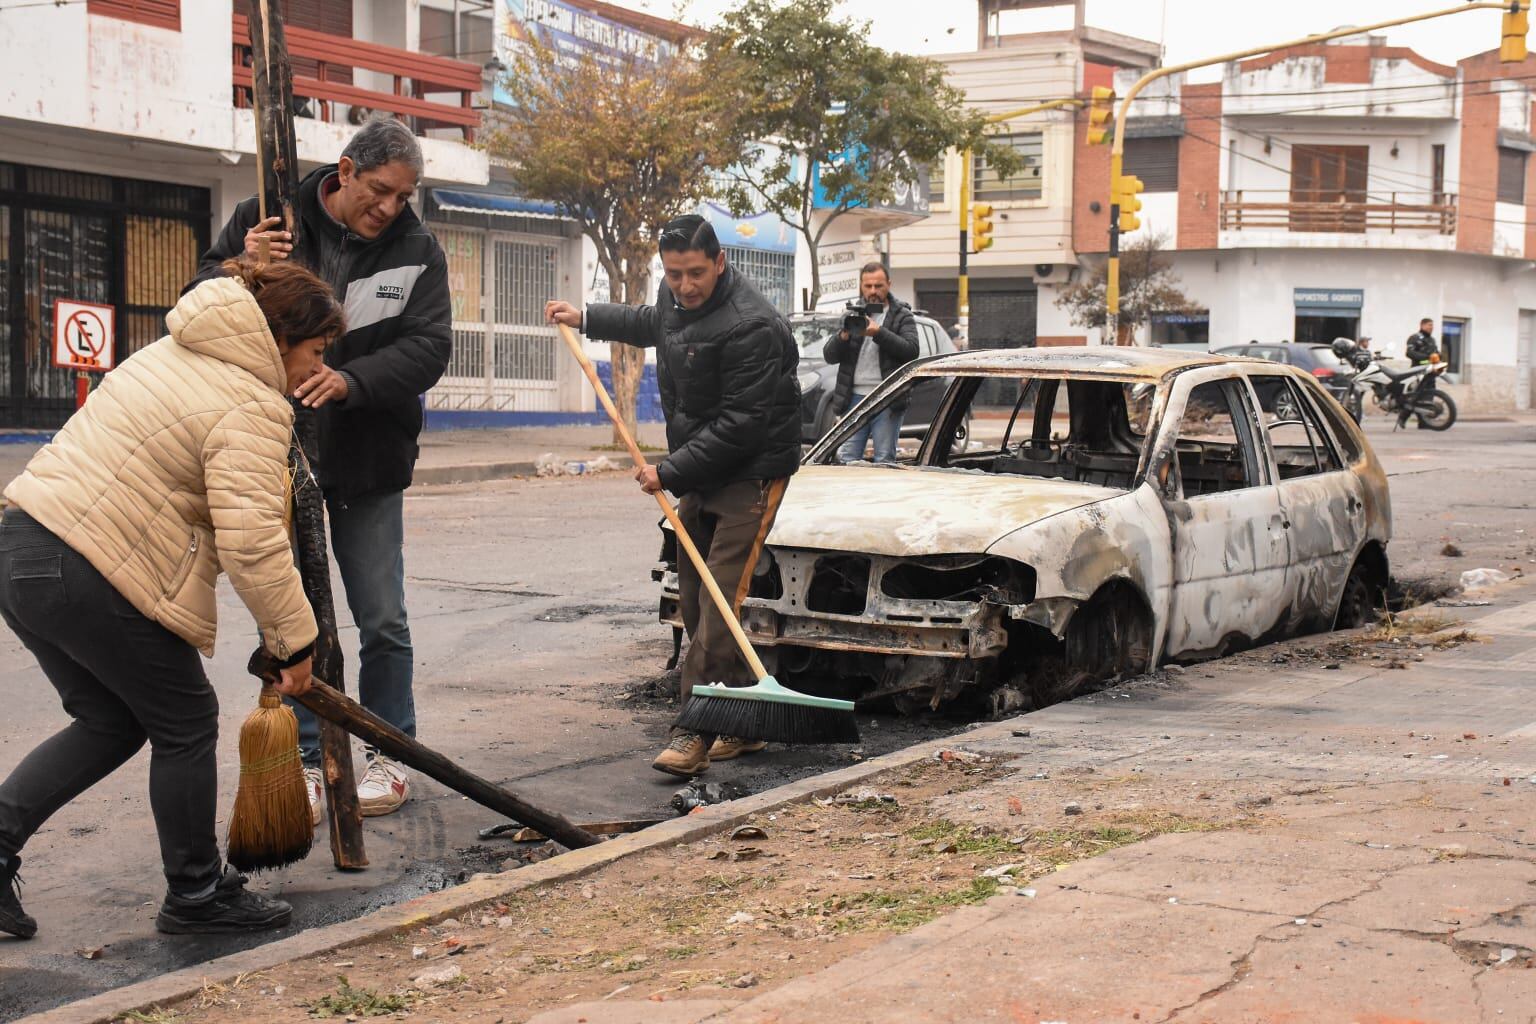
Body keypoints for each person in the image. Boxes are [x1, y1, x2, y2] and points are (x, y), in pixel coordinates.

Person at [0, 260, 344, 938]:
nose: (315, 369)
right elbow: (251, 542)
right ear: (281, 338)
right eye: (316, 352)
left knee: (111, 719)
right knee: (186, 718)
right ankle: (196, 893)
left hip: (22, 549)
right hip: (90, 562)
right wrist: (295, 644)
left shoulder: (173, 351)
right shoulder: (249, 399)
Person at [193, 117, 452, 820]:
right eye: (380, 191)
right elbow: (198, 304)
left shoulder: (418, 250)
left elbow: (431, 347)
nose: (390, 208)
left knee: (382, 619)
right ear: (343, 171)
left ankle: (387, 752)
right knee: (291, 621)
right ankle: (309, 759)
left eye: (404, 195)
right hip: (277, 454)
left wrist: (351, 381)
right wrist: (235, 263)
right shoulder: (265, 217)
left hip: (368, 461)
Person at [544, 215, 801, 778]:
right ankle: (742, 719)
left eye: (695, 274)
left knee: (718, 601)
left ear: (720, 263)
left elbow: (741, 425)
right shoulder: (673, 296)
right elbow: (651, 321)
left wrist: (671, 470)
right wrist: (585, 317)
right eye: (675, 274)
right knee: (693, 594)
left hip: (751, 471)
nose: (685, 285)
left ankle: (695, 728)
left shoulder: (751, 325)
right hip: (702, 467)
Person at [822, 263, 920, 463]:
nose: (873, 291)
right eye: (868, 286)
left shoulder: (902, 315)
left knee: (884, 459)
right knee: (847, 458)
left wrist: (878, 333)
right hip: (854, 398)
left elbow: (911, 351)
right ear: (861, 286)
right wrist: (844, 335)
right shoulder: (852, 314)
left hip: (887, 396)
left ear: (889, 284)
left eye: (878, 285)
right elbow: (830, 356)